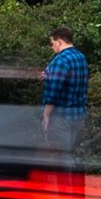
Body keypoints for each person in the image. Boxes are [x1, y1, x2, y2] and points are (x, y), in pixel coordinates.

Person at [40, 28, 91, 156]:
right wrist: (48, 75)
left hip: (61, 117)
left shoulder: (60, 60)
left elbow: (53, 92)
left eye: (52, 43)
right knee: (70, 153)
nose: (51, 47)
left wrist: (46, 115)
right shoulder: (81, 57)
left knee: (61, 156)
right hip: (78, 114)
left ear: (59, 42)